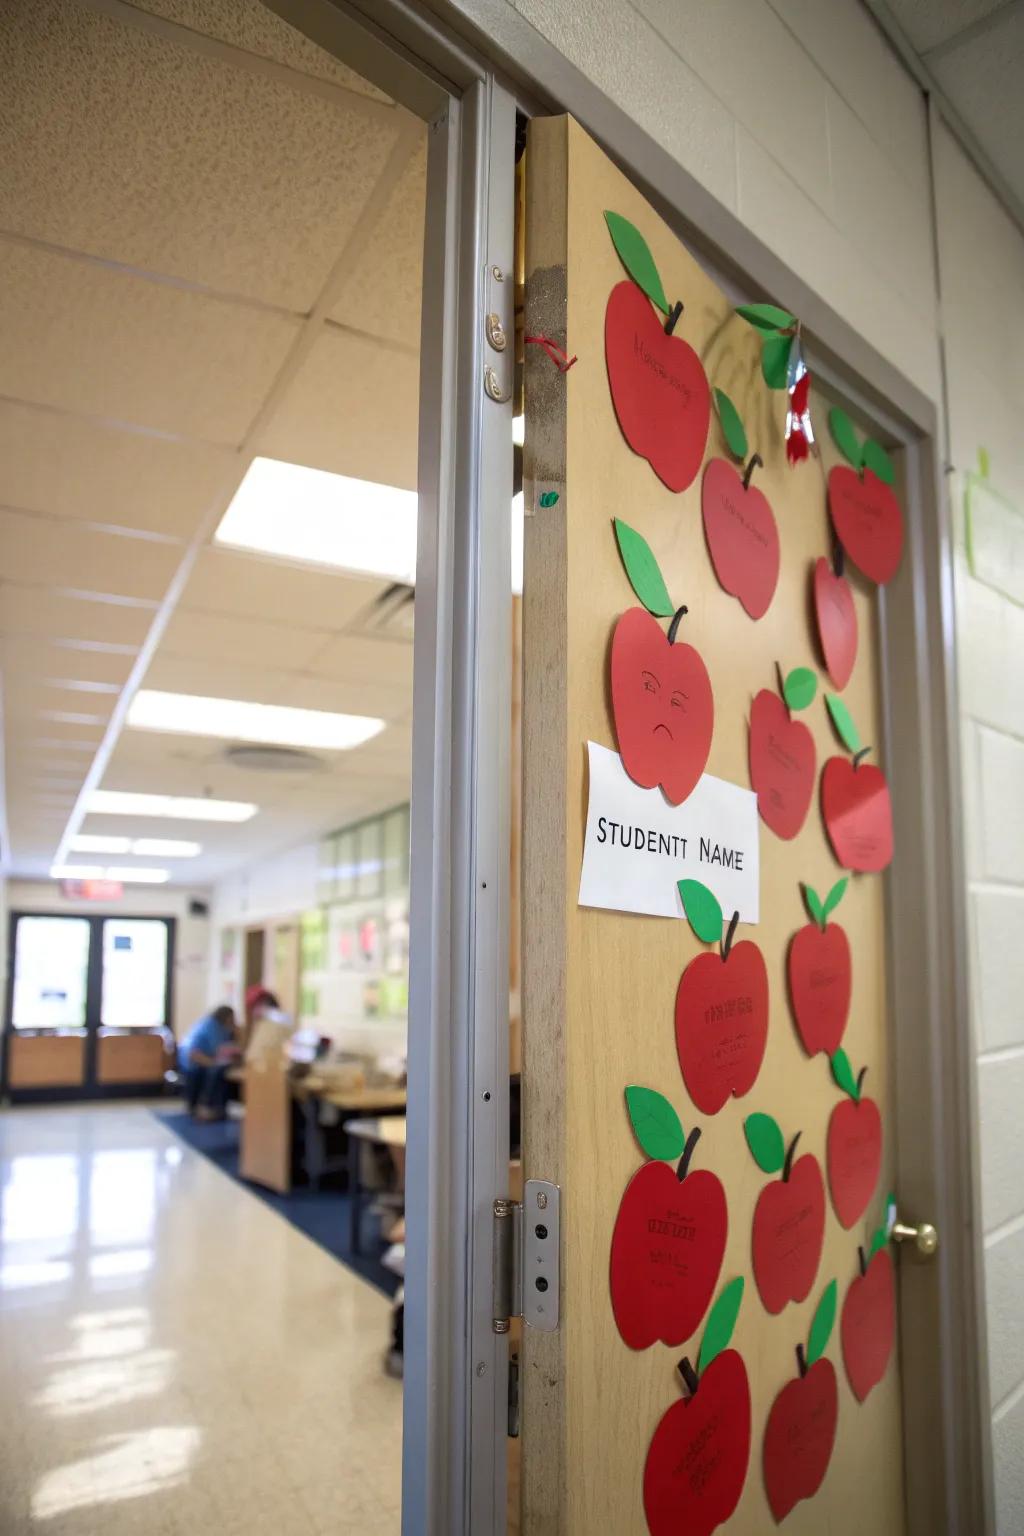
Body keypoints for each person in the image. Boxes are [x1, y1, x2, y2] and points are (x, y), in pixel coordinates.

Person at [179, 1004, 237, 1119]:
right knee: (215, 1071)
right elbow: (194, 1054)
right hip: (194, 1062)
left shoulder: (221, 1028)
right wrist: (213, 1063)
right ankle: (206, 1107)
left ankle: (217, 1107)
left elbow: (223, 1048)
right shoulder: (209, 1027)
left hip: (206, 1059)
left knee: (221, 1070)